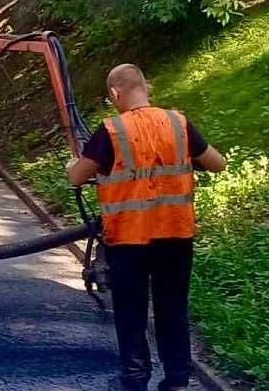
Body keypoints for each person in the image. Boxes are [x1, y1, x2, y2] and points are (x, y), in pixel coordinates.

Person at [68, 64, 226, 391]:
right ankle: (177, 380)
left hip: (130, 238)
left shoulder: (111, 130)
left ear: (115, 93)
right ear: (146, 86)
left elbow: (77, 176)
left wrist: (73, 164)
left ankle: (135, 378)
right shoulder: (178, 123)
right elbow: (217, 163)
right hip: (176, 235)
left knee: (131, 310)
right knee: (173, 307)